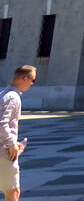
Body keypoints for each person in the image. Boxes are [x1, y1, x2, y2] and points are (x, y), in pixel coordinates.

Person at [0, 65, 36, 201]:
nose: (32, 84)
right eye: (33, 80)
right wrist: (11, 144)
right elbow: (1, 123)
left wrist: (14, 143)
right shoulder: (12, 97)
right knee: (13, 192)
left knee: (13, 190)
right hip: (4, 153)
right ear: (25, 79)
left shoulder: (5, 94)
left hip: (5, 149)